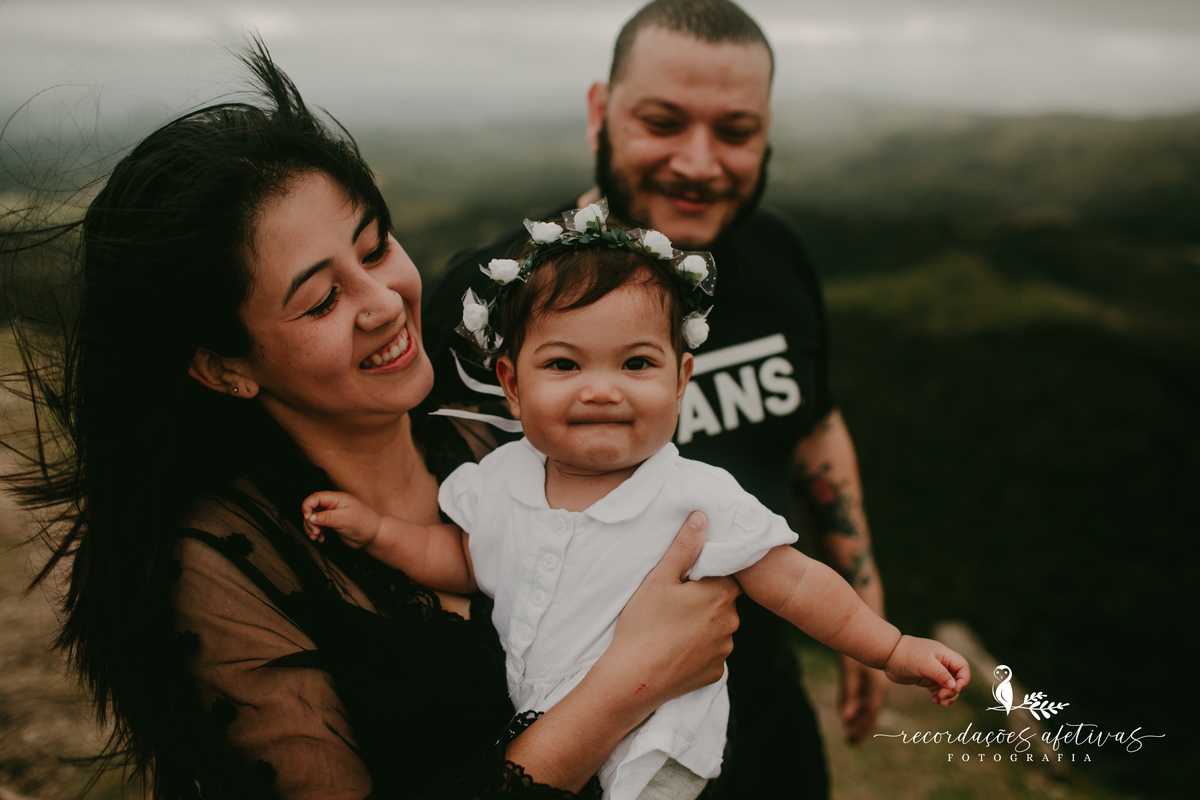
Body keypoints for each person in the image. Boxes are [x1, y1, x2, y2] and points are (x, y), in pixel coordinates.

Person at [1, 43, 743, 800]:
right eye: (321, 300)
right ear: (224, 366)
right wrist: (624, 687)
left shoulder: (490, 445)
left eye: (376, 246)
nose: (384, 301)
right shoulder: (229, 567)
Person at [310, 210, 969, 800]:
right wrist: (375, 532)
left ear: (681, 379)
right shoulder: (498, 479)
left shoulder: (695, 497)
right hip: (545, 741)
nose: (601, 391)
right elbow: (460, 557)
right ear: (511, 385)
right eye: (565, 365)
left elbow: (794, 581)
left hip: (657, 749)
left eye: (636, 365)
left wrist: (890, 648)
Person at [422, 2, 888, 796]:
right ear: (601, 111)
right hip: (575, 747)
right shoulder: (493, 303)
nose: (700, 163)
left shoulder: (777, 255)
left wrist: (861, 594)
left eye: (735, 131)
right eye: (663, 122)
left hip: (763, 711)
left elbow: (813, 422)